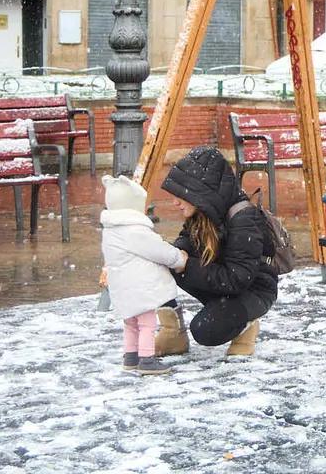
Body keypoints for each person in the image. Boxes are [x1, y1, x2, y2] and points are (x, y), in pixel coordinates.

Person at [162, 146, 278, 358]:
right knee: (164, 263)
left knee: (206, 330)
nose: (175, 202)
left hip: (254, 290)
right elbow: (185, 242)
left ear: (200, 191)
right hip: (225, 279)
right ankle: (173, 334)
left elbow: (237, 279)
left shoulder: (244, 218)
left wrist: (187, 265)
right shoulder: (203, 212)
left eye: (180, 195)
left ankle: (245, 325)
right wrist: (167, 253)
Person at [100, 174, 188, 375]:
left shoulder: (111, 230)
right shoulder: (135, 231)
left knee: (130, 323)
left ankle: (131, 356)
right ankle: (147, 360)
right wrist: (179, 259)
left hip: (122, 287)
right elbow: (160, 250)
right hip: (141, 290)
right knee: (147, 324)